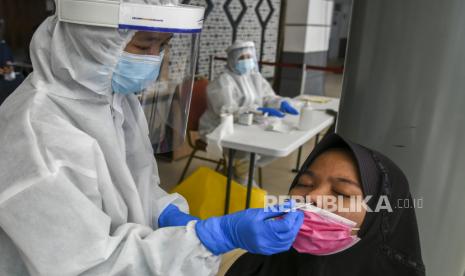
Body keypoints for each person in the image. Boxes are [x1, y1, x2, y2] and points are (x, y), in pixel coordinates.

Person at [0, 0, 304, 275]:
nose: (154, 58)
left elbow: (135, 184)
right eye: (144, 46)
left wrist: (163, 212)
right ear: (89, 38)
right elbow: (85, 265)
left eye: (162, 46)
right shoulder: (37, 133)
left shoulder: (114, 101)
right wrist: (208, 240)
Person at [226, 133, 426, 276]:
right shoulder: (257, 264)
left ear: (380, 217)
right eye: (304, 184)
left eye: (341, 193)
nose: (312, 196)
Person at [199, 40, 299, 184]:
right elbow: (227, 110)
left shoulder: (255, 77)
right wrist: (257, 110)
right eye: (242, 58)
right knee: (246, 148)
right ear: (233, 59)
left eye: (249, 57)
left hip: (249, 124)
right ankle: (243, 179)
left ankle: (237, 171)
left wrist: (280, 103)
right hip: (220, 127)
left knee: (276, 142)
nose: (247, 61)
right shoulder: (223, 82)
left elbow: (267, 97)